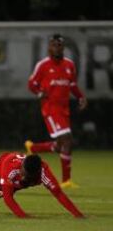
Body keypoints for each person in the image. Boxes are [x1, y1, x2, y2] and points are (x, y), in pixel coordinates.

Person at [25, 34, 88, 188]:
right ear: (49, 47)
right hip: (50, 109)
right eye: (54, 45)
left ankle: (33, 148)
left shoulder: (69, 65)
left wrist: (81, 97)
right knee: (67, 140)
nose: (57, 48)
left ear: (63, 47)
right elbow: (32, 83)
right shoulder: (43, 65)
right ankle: (66, 181)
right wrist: (40, 92)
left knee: (61, 145)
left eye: (59, 45)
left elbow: (72, 84)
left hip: (64, 109)